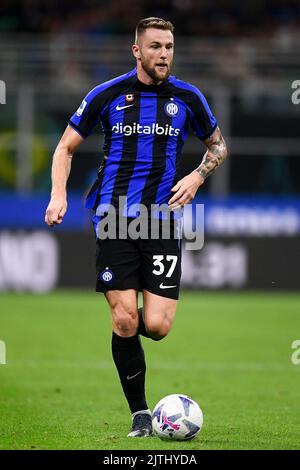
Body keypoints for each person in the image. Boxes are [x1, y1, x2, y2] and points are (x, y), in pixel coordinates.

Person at [45, 17, 228, 437]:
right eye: (156, 46)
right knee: (126, 319)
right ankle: (140, 413)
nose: (164, 54)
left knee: (159, 326)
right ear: (137, 51)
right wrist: (59, 194)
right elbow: (65, 147)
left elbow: (218, 145)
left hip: (162, 221)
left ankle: (123, 327)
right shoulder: (107, 94)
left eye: (169, 46)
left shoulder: (188, 97)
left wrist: (198, 175)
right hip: (113, 217)